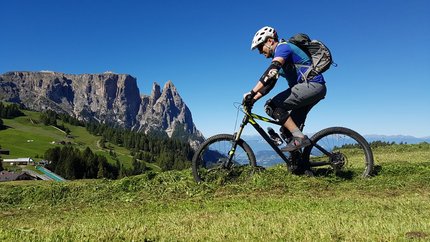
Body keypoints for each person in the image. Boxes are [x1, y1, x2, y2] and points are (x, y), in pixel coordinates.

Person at [243, 26, 327, 171]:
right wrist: (253, 99)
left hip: (311, 85)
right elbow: (268, 85)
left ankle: (299, 138)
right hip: (311, 90)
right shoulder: (282, 60)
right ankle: (300, 167)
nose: (260, 52)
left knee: (272, 106)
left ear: (269, 41)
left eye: (260, 47)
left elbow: (272, 69)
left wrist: (251, 91)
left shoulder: (283, 48)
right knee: (287, 131)